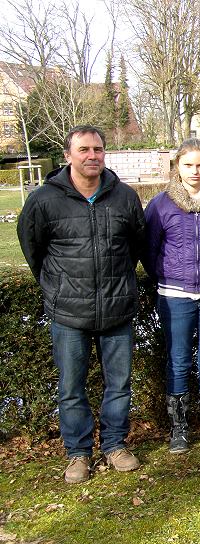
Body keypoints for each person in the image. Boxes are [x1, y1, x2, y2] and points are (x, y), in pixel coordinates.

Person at [17, 125, 145, 483]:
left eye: (98, 149)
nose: (92, 156)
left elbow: (136, 245)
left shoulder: (124, 197)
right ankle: (78, 453)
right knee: (71, 387)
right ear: (68, 155)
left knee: (118, 384)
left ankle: (116, 445)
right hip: (69, 312)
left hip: (117, 308)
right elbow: (34, 250)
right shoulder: (44, 200)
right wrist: (58, 285)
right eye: (85, 149)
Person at [143, 138, 200, 454]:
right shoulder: (160, 205)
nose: (195, 171)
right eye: (188, 165)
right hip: (174, 296)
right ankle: (179, 430)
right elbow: (149, 249)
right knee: (179, 361)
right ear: (177, 167)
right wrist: (168, 277)